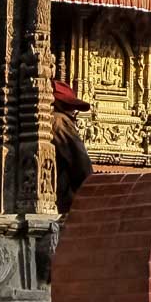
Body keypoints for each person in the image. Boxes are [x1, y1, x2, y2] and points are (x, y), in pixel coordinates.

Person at [52, 80, 93, 213]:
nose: (72, 111)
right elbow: (80, 160)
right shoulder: (59, 120)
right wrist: (89, 190)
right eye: (68, 106)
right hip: (60, 197)